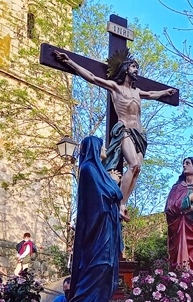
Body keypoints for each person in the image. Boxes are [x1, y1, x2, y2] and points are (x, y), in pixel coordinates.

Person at [55, 48, 176, 222]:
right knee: (133, 165)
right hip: (124, 129)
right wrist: (69, 62)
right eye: (134, 67)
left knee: (137, 169)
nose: (136, 70)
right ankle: (120, 203)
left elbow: (151, 94)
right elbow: (92, 77)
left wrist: (165, 92)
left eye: (137, 67)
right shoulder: (116, 88)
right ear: (126, 68)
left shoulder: (137, 92)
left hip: (140, 134)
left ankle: (123, 204)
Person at [58, 136, 123, 302]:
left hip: (107, 229)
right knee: (99, 267)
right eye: (101, 146)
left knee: (107, 268)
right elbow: (106, 196)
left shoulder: (97, 170)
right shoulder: (88, 169)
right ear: (94, 148)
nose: (104, 149)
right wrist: (113, 181)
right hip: (97, 231)